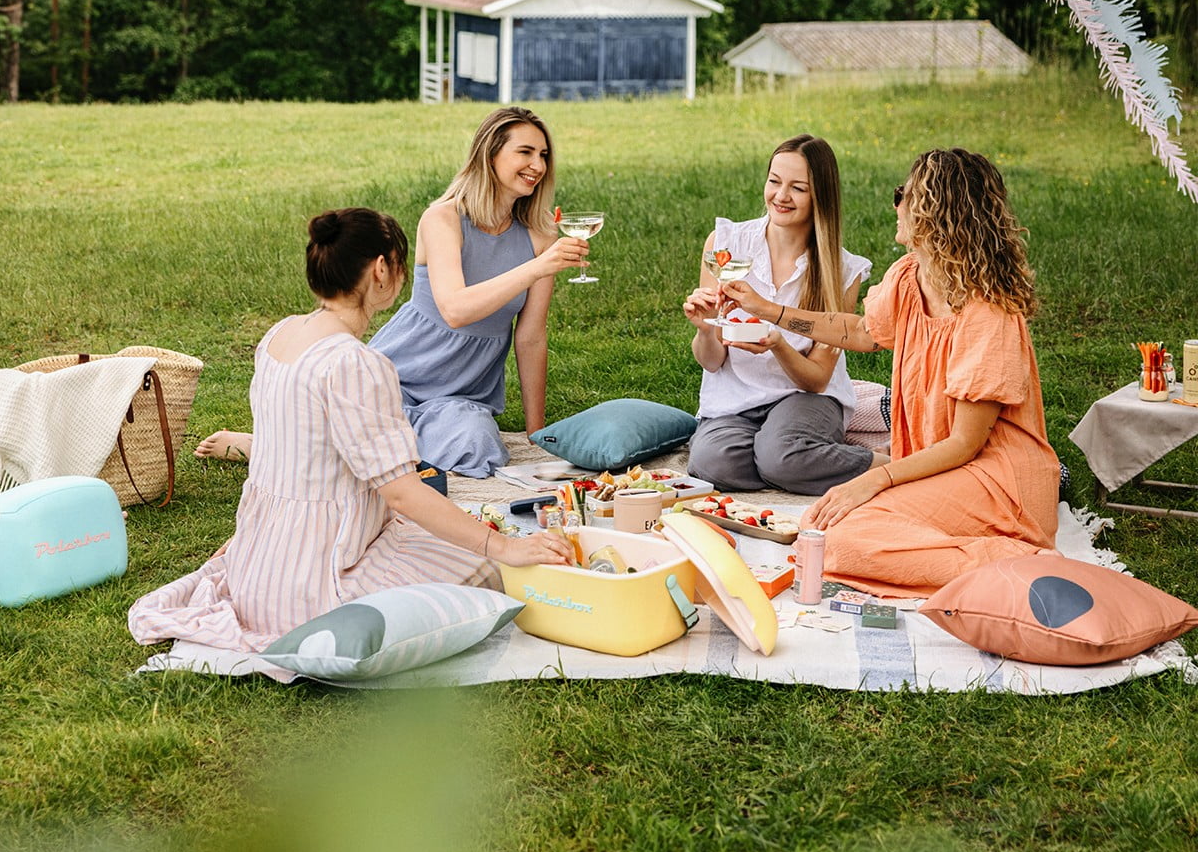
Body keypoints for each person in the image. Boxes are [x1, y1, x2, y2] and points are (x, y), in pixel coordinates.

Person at [130, 208, 573, 657]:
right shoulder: (358, 365)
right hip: (319, 582)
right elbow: (402, 494)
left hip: (258, 568)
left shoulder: (278, 336)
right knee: (484, 568)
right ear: (381, 270)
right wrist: (503, 548)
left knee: (441, 533)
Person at [724, 148, 1059, 597]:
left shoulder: (987, 313)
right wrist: (769, 310)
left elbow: (965, 443)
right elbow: (861, 331)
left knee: (839, 541)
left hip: (996, 480)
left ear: (935, 214)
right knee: (820, 531)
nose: (896, 204)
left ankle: (1020, 561)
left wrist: (874, 478)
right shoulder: (910, 276)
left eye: (904, 194)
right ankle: (973, 553)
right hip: (936, 469)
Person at [196, 105, 588, 477]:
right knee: (357, 434)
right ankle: (261, 445)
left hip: (461, 397)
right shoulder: (444, 218)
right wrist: (540, 266)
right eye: (525, 152)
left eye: (544, 155)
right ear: (490, 156)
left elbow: (531, 335)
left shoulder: (539, 236)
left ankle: (374, 448)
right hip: (395, 375)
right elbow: (454, 309)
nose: (537, 166)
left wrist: (536, 435)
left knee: (476, 447)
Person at [681, 134, 882, 496]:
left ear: (820, 195)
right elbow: (712, 363)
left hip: (806, 398)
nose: (780, 196)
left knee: (780, 455)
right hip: (734, 401)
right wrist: (705, 331)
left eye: (798, 188)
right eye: (774, 181)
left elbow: (817, 378)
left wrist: (778, 344)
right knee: (712, 463)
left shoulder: (842, 270)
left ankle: (884, 467)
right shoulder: (725, 246)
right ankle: (797, 462)